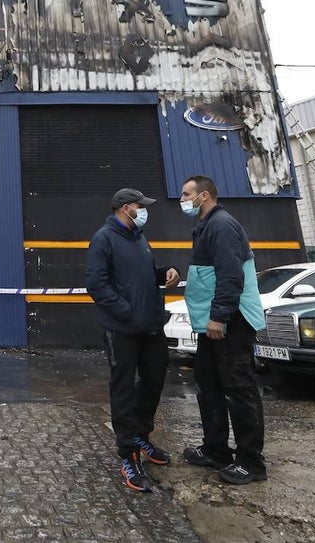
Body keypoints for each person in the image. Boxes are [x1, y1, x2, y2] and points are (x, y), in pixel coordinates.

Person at [86, 188, 181, 492]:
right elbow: (96, 284)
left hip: (150, 326)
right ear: (126, 208)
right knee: (124, 389)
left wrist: (164, 273)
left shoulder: (139, 237)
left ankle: (141, 435)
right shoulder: (104, 238)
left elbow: (143, 274)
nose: (145, 211)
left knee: (153, 380)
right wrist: (125, 311)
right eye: (141, 207)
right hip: (122, 328)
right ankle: (128, 453)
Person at [179, 174, 268, 484]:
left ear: (204, 196)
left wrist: (220, 316)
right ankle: (216, 450)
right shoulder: (204, 227)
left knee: (239, 389)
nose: (183, 199)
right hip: (212, 324)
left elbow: (231, 274)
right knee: (210, 385)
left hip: (232, 321)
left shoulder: (221, 225)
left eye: (187, 193)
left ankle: (251, 462)